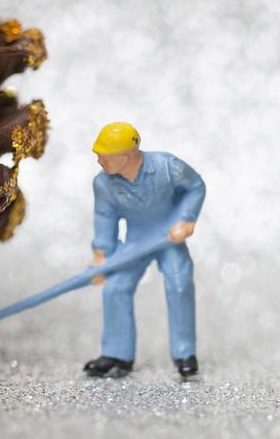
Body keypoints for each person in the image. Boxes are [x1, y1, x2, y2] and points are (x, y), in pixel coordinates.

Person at [84, 122, 206, 380]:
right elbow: (104, 217)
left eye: (104, 157)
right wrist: (101, 255)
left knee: (179, 283)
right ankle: (117, 354)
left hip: (169, 239)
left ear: (126, 156)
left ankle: (185, 354)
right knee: (116, 287)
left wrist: (185, 219)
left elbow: (195, 187)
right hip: (137, 241)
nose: (99, 162)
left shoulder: (168, 167)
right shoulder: (103, 184)